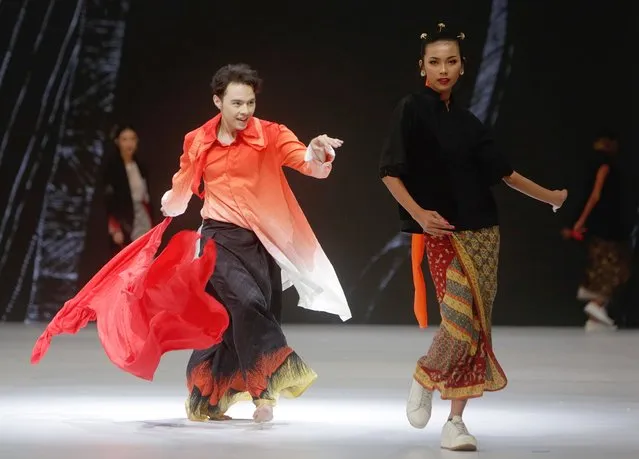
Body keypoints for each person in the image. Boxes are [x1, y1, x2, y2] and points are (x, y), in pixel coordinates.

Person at [379, 23, 568, 451]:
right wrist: (420, 214)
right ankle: (426, 374)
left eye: (451, 61)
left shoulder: (468, 122)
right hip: (444, 234)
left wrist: (552, 198)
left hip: (484, 234)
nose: (443, 69)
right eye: (434, 62)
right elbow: (389, 173)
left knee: (476, 327)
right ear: (421, 67)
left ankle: (456, 423)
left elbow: (506, 174)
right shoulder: (410, 108)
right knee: (459, 320)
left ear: (463, 67)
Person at [160, 63, 351, 423]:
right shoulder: (198, 139)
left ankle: (209, 396)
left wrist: (316, 151)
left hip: (263, 242)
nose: (244, 111)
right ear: (218, 101)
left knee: (236, 320)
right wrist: (170, 204)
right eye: (236, 103)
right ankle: (268, 389)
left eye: (249, 102)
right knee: (246, 304)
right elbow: (183, 184)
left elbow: (307, 164)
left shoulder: (273, 134)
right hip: (218, 238)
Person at [562, 131, 632, 330]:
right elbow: (595, 195)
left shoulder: (597, 166)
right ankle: (597, 305)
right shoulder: (604, 166)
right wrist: (580, 221)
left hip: (604, 225)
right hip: (607, 225)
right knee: (613, 266)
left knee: (604, 266)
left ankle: (596, 318)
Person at [103, 125, 154, 253]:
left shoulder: (140, 167)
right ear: (117, 142)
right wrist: (115, 228)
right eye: (124, 139)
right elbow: (109, 200)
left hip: (142, 216)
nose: (129, 143)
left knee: (145, 254)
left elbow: (146, 195)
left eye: (132, 139)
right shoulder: (112, 169)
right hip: (124, 219)